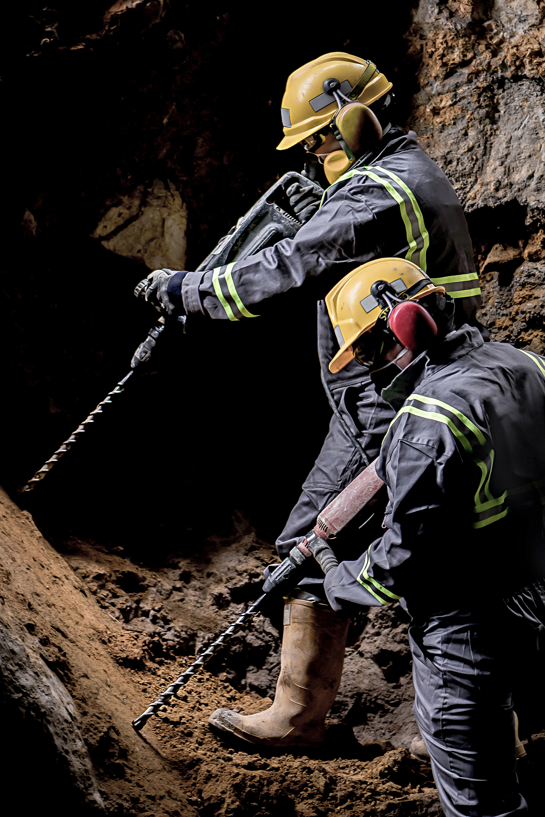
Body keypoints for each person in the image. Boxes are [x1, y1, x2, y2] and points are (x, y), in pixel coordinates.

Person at [135, 52, 484, 749]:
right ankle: (456, 717)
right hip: (417, 389)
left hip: (393, 405)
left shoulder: (378, 190)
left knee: (324, 545)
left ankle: (306, 717)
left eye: (319, 139)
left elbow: (286, 266)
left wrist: (188, 291)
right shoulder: (412, 175)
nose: (316, 154)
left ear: (354, 122)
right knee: (411, 549)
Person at [321, 256, 545, 816]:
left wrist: (338, 578)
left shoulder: (429, 418)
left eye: (370, 351)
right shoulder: (529, 363)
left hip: (469, 626)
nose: (371, 369)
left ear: (403, 324)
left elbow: (405, 557)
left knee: (479, 801)